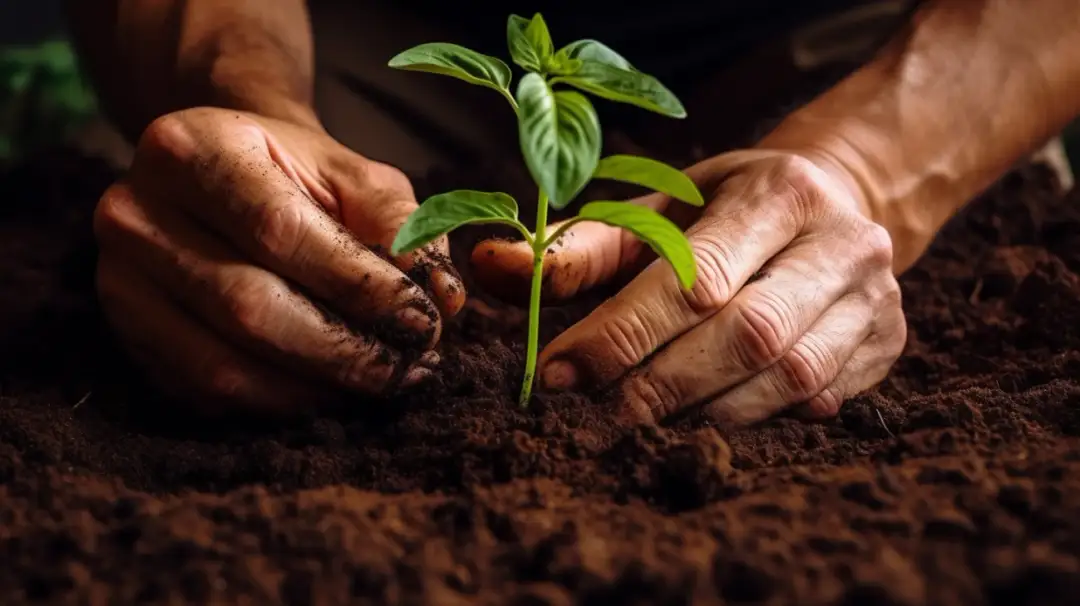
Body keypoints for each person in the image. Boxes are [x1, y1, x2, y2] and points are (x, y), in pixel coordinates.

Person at [65, 0, 1080, 424]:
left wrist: (863, 164)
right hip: (361, 29)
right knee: (230, 241)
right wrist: (244, 95)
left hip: (872, 41)